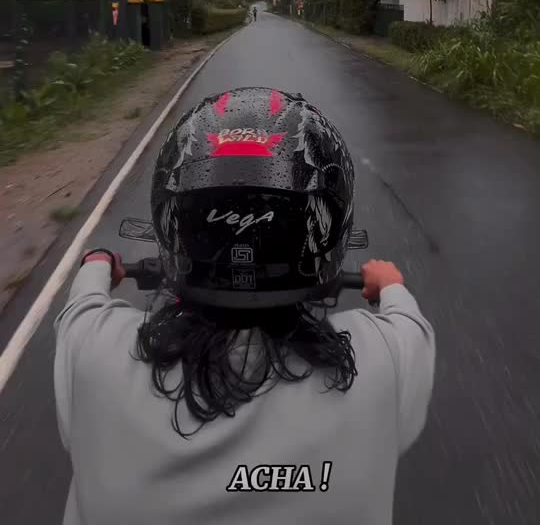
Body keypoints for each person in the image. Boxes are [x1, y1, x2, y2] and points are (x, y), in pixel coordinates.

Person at [54, 87, 435, 525]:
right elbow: (407, 317)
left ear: (176, 226)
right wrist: (390, 285)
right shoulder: (383, 358)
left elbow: (83, 298)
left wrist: (98, 263)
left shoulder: (94, 350)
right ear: (323, 234)